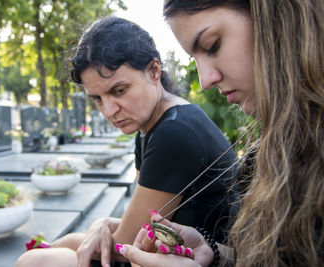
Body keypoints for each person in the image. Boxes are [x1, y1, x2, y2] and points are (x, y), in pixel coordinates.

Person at [15, 16, 239, 267]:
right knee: (51, 254)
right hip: (170, 253)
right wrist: (101, 224)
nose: (109, 110)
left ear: (154, 71)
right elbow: (140, 223)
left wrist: (75, 238)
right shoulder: (150, 125)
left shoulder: (175, 132)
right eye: (97, 99)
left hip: (203, 259)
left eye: (119, 91)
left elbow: (126, 244)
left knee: (39, 260)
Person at [115, 0, 324, 266]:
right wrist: (213, 254)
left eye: (212, 45)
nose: (205, 81)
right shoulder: (269, 149)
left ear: (276, 17)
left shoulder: (174, 131)